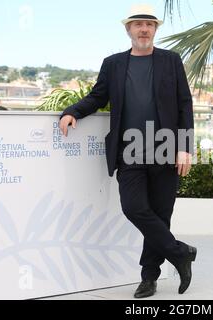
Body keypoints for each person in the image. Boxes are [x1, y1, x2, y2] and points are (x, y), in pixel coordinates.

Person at [59, 4, 197, 298]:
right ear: (128, 30)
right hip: (129, 151)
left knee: (160, 215)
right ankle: (180, 252)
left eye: (149, 24)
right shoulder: (114, 64)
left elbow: (185, 103)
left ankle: (149, 278)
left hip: (166, 149)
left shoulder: (171, 61)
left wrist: (184, 147)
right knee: (133, 208)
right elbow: (98, 96)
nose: (144, 29)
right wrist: (73, 112)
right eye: (138, 24)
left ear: (155, 29)